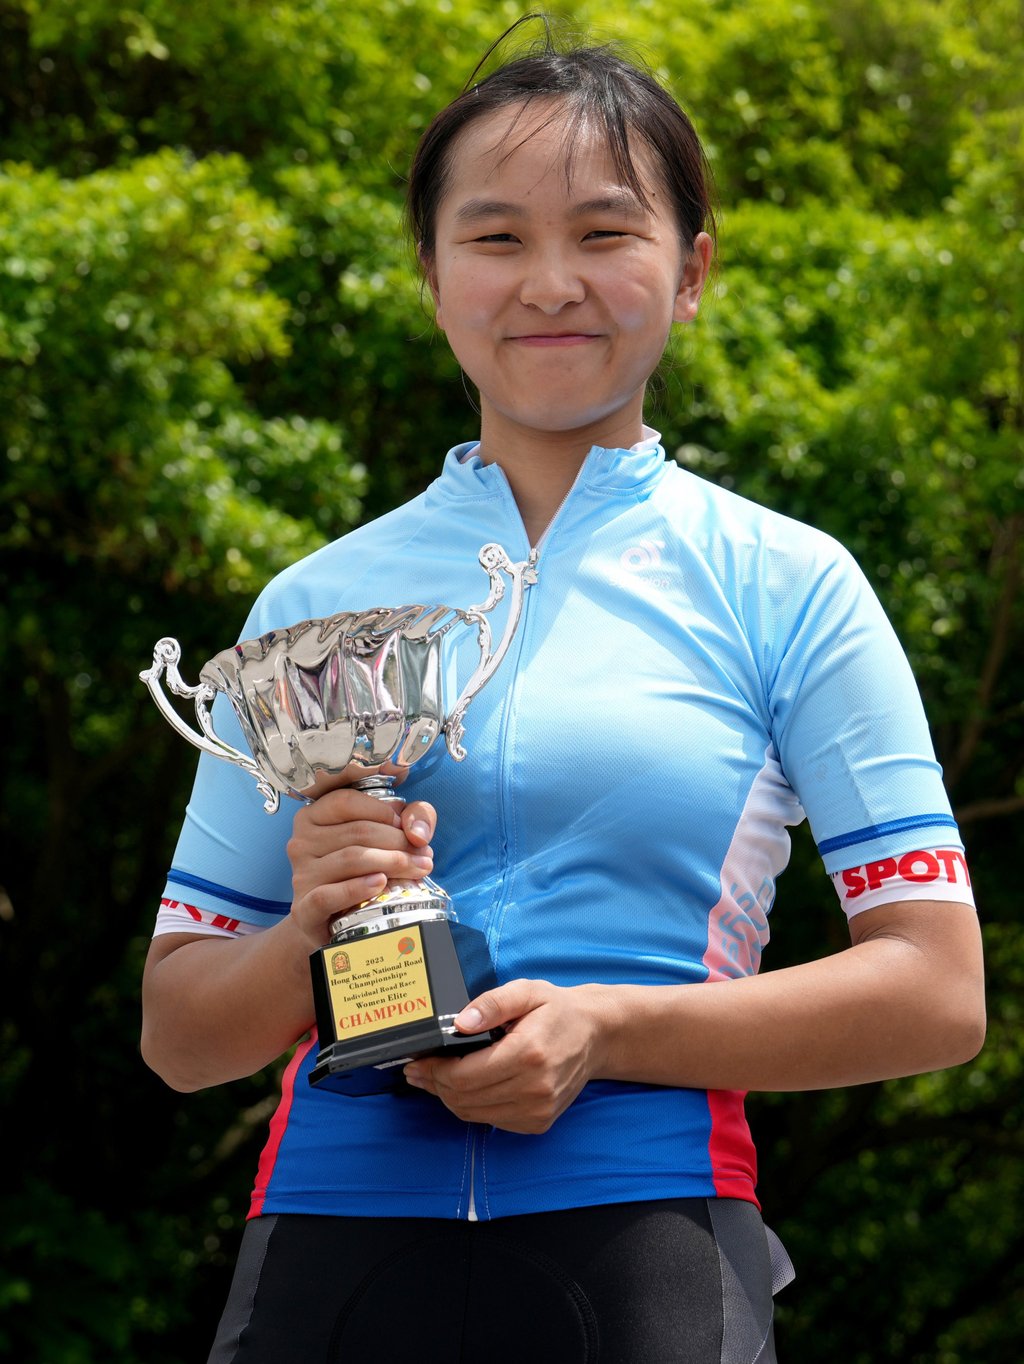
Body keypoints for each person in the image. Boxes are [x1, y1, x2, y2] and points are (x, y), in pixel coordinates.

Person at [140, 28, 985, 1364]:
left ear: (691, 270)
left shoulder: (790, 584)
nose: (550, 284)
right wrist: (310, 925)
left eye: (605, 232)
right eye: (493, 240)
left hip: (646, 1237)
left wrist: (608, 1029)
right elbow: (182, 1037)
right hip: (326, 1245)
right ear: (429, 276)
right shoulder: (312, 606)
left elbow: (939, 994)